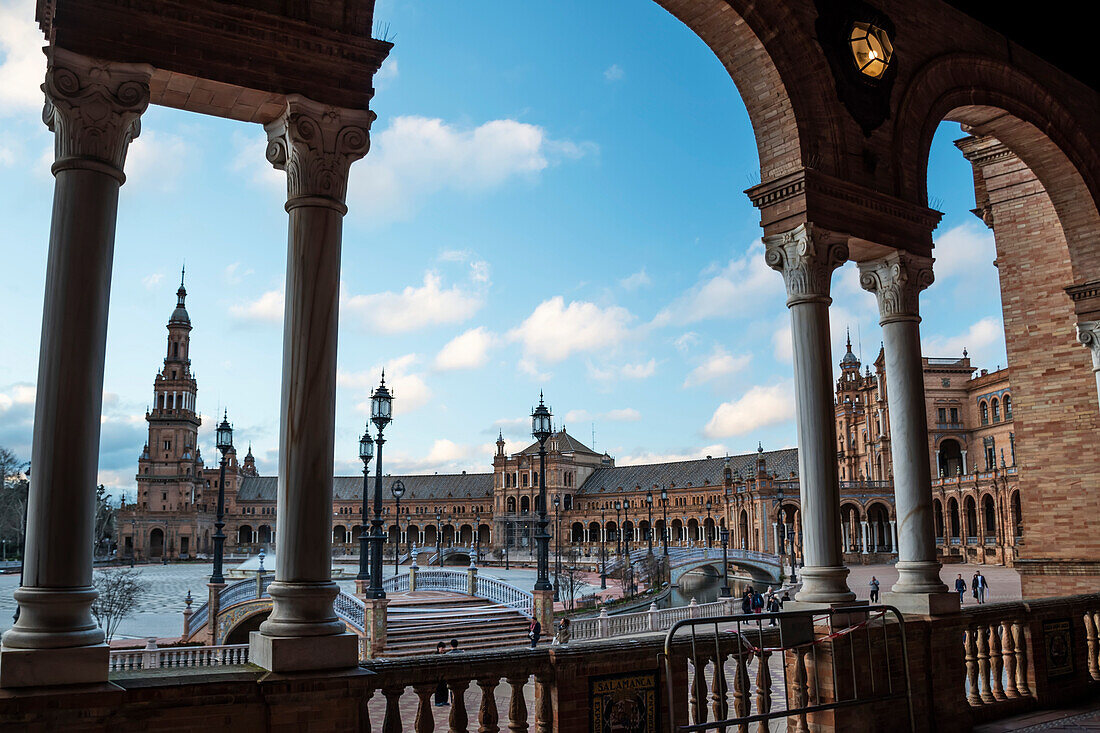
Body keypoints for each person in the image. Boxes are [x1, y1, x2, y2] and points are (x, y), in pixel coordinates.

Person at [434, 642, 449, 707]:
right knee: (438, 688)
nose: (443, 649)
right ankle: (438, 701)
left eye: (444, 648)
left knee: (445, 688)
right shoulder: (435, 655)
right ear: (438, 648)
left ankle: (444, 700)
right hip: (438, 674)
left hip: (444, 673)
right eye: (442, 648)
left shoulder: (445, 655)